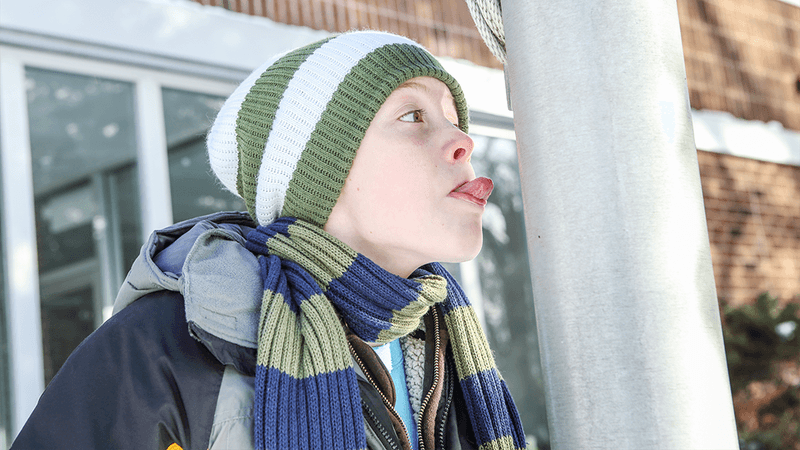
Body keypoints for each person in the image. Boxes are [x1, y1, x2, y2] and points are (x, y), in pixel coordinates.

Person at [12, 30, 526, 450]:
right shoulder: (165, 350)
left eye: (455, 121)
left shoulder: (447, 349)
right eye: (413, 116)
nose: (464, 141)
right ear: (319, 173)